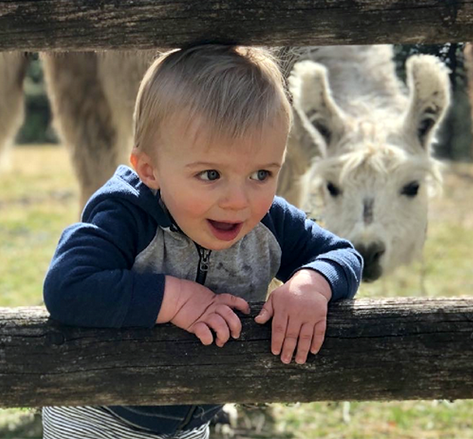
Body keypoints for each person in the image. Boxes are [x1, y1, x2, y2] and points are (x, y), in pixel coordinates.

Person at [42, 44, 363, 439]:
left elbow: (342, 254)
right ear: (150, 170)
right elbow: (67, 286)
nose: (238, 201)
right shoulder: (126, 215)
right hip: (98, 413)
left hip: (193, 417)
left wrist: (312, 283)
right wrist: (175, 299)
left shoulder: (269, 221)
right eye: (211, 174)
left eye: (261, 174)